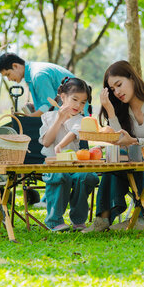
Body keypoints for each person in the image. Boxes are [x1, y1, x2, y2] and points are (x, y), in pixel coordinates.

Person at [82, 60, 144, 233]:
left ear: (132, 78)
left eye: (119, 84)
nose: (117, 92)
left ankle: (140, 218)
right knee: (115, 157)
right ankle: (103, 219)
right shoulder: (124, 110)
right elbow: (119, 140)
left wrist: (136, 142)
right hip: (141, 167)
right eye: (113, 89)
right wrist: (110, 110)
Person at [38, 77, 99, 232]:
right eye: (75, 99)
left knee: (87, 177)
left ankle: (78, 219)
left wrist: (61, 145)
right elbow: (46, 142)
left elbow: (74, 132)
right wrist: (59, 119)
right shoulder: (48, 117)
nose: (78, 105)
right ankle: (54, 220)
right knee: (60, 175)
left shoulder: (81, 119)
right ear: (63, 97)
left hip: (75, 165)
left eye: (83, 102)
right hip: (53, 165)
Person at [0, 53, 76, 117]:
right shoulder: (32, 73)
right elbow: (52, 99)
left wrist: (29, 117)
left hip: (76, 115)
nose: (9, 79)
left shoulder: (37, 75)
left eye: (8, 74)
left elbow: (50, 105)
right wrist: (36, 106)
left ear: (15, 66)